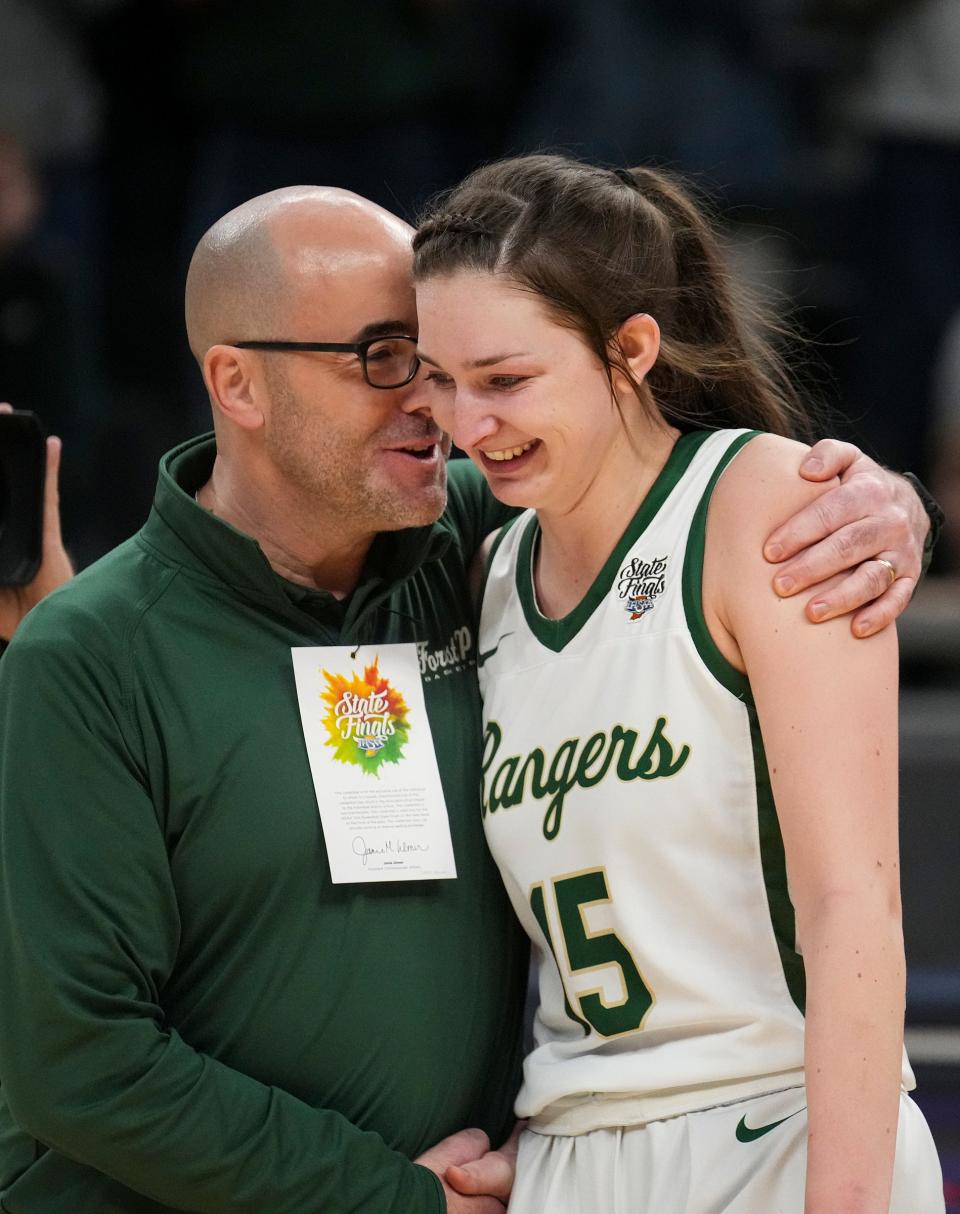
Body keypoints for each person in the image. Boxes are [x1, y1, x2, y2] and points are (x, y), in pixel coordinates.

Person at [0, 184, 938, 1214]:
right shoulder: (91, 651)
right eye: (390, 359)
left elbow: (664, 472)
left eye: (450, 363)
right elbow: (82, 1059)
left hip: (644, 1156)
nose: (442, 409)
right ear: (238, 382)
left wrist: (878, 504)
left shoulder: (476, 537)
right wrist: (387, 1197)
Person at [409, 155, 945, 1212]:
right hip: (573, 1154)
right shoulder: (491, 571)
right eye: (438, 377)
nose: (466, 424)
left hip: (776, 1130)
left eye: (505, 379)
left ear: (632, 350)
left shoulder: (766, 507)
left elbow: (853, 906)